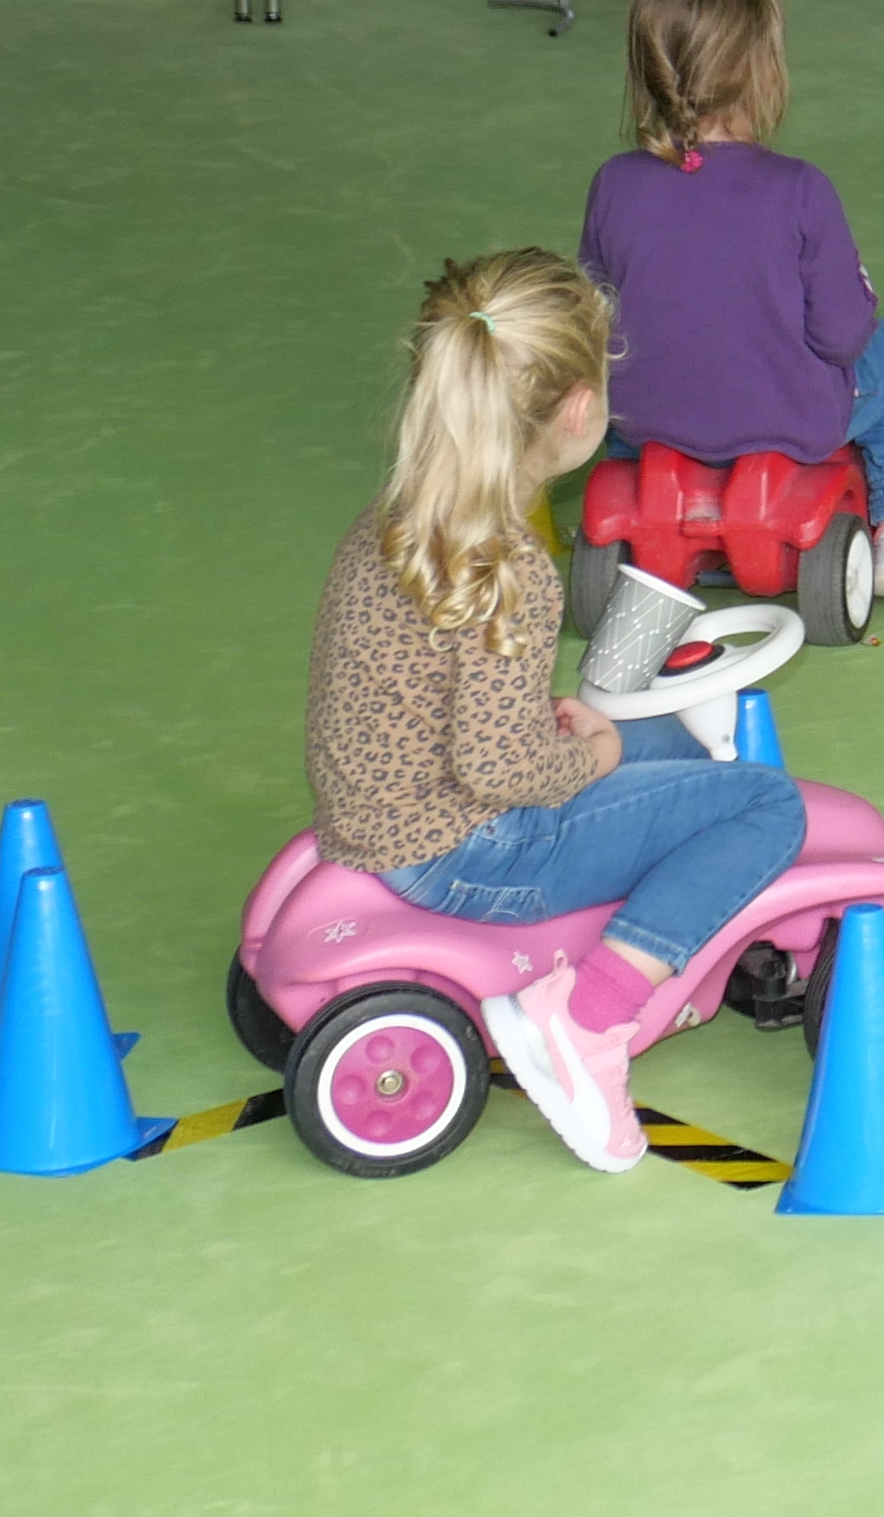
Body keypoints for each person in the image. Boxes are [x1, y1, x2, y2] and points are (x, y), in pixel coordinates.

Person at [303, 250, 808, 1172]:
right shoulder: (510, 567)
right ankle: (586, 1019)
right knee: (768, 805)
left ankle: (626, 915)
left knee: (657, 742)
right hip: (463, 848)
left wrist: (559, 728)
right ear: (579, 412)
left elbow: (433, 691)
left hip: (379, 807)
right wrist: (591, 758)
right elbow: (500, 772)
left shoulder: (395, 520)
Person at [579, 0, 884, 594]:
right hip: (788, 414)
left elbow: (593, 316)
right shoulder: (799, 189)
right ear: (763, 71)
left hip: (645, 419)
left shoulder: (614, 183)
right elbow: (841, 337)